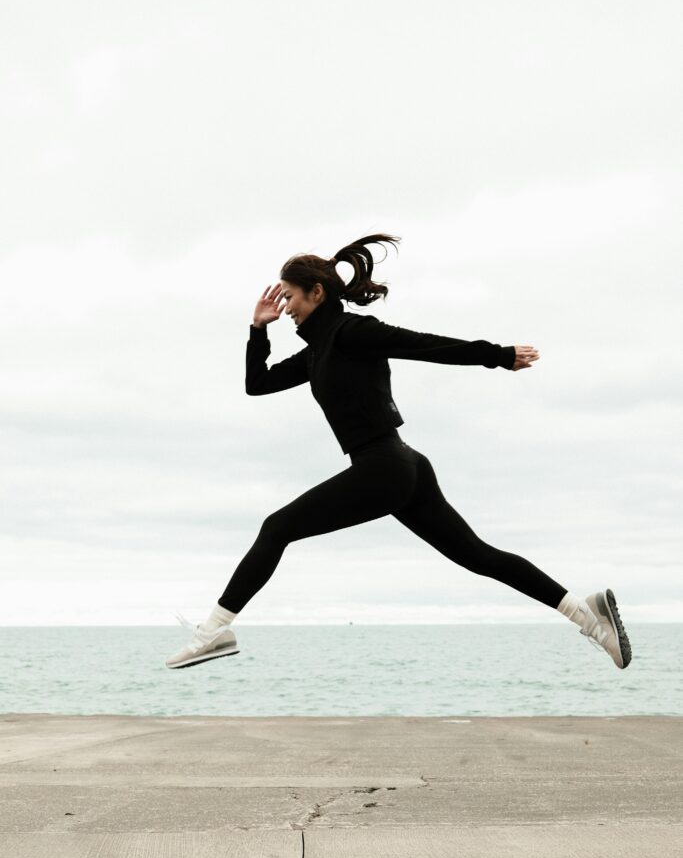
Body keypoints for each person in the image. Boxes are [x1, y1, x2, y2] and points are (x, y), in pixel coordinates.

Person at [166, 233, 632, 671]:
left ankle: (214, 632)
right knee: (478, 556)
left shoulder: (351, 332)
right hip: (401, 467)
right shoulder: (316, 353)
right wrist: (257, 328)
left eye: (289, 296)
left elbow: (422, 345)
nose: (284, 306)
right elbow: (257, 385)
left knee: (276, 528)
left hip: (384, 467)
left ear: (316, 294)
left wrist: (498, 354)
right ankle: (588, 616)